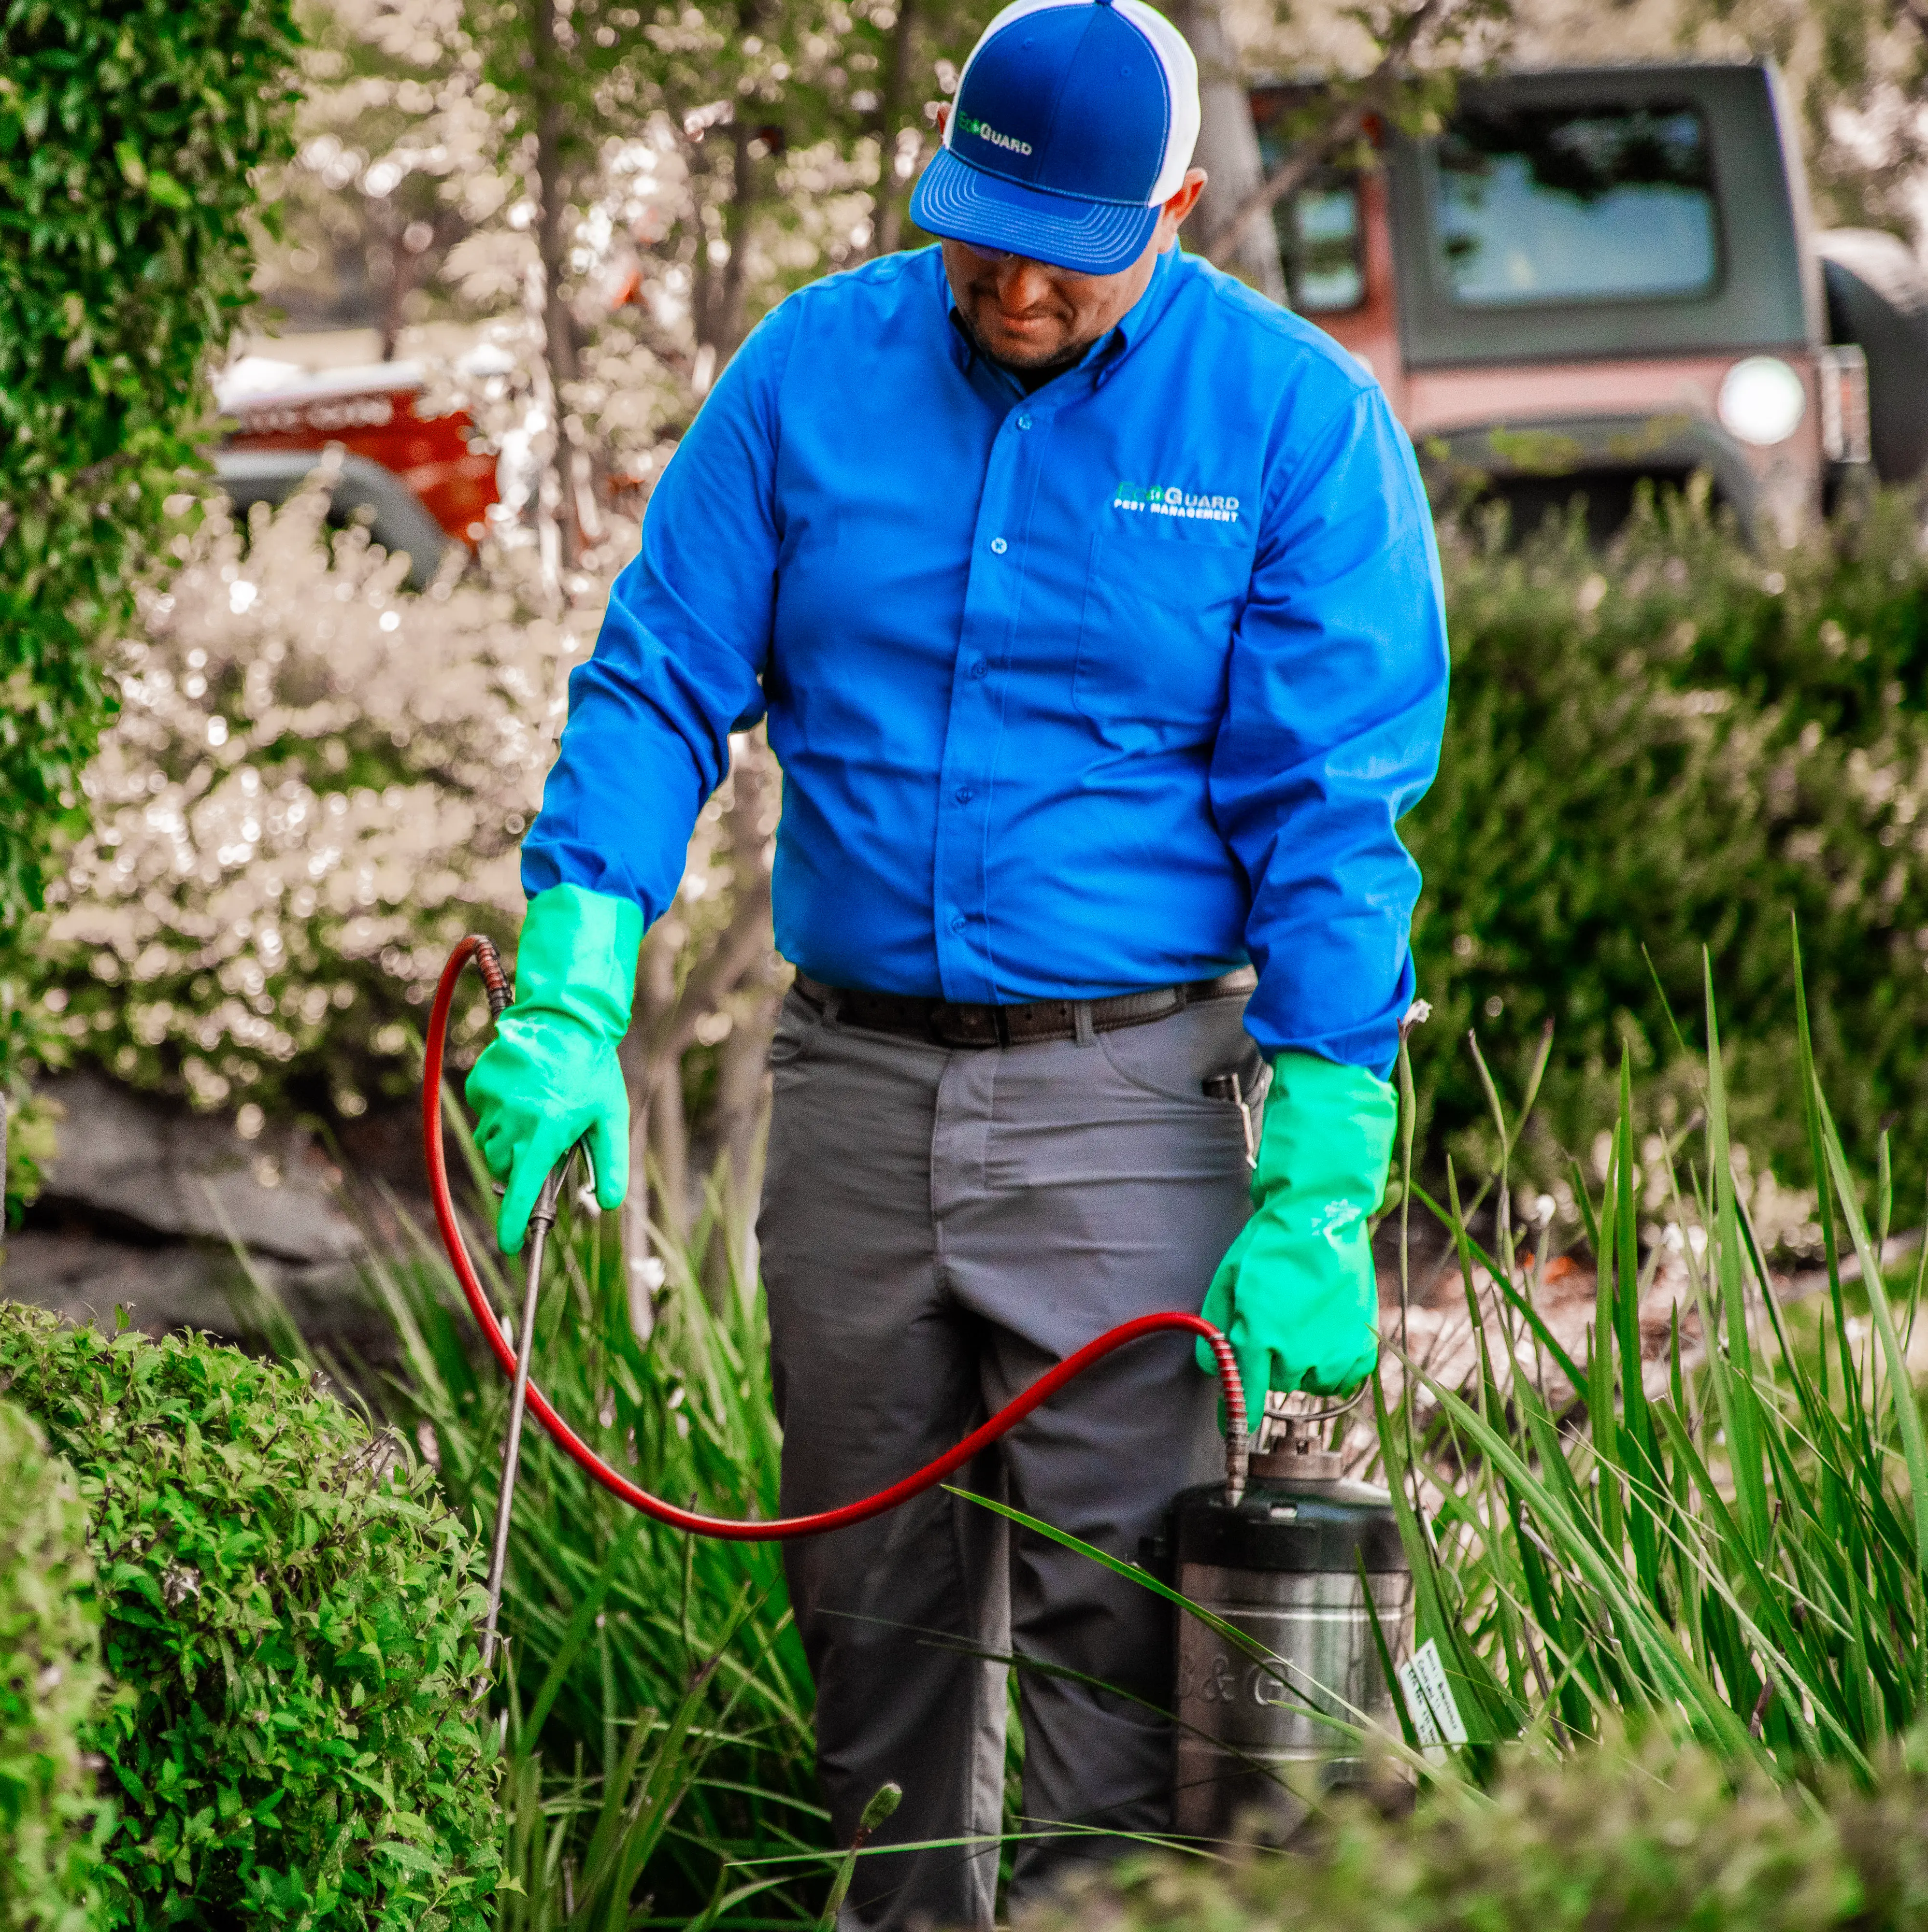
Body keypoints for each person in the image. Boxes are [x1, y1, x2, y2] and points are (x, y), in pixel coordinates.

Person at [462, 0, 1449, 1924]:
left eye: (1068, 251)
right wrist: (576, 978)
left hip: (1126, 1105)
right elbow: (658, 683)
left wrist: (1327, 1177)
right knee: (873, 1628)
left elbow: (1336, 816)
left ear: (1171, 209)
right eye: (979, 227)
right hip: (849, 1093)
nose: (1010, 282)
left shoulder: (1291, 425)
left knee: (1112, 1648)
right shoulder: (807, 378)